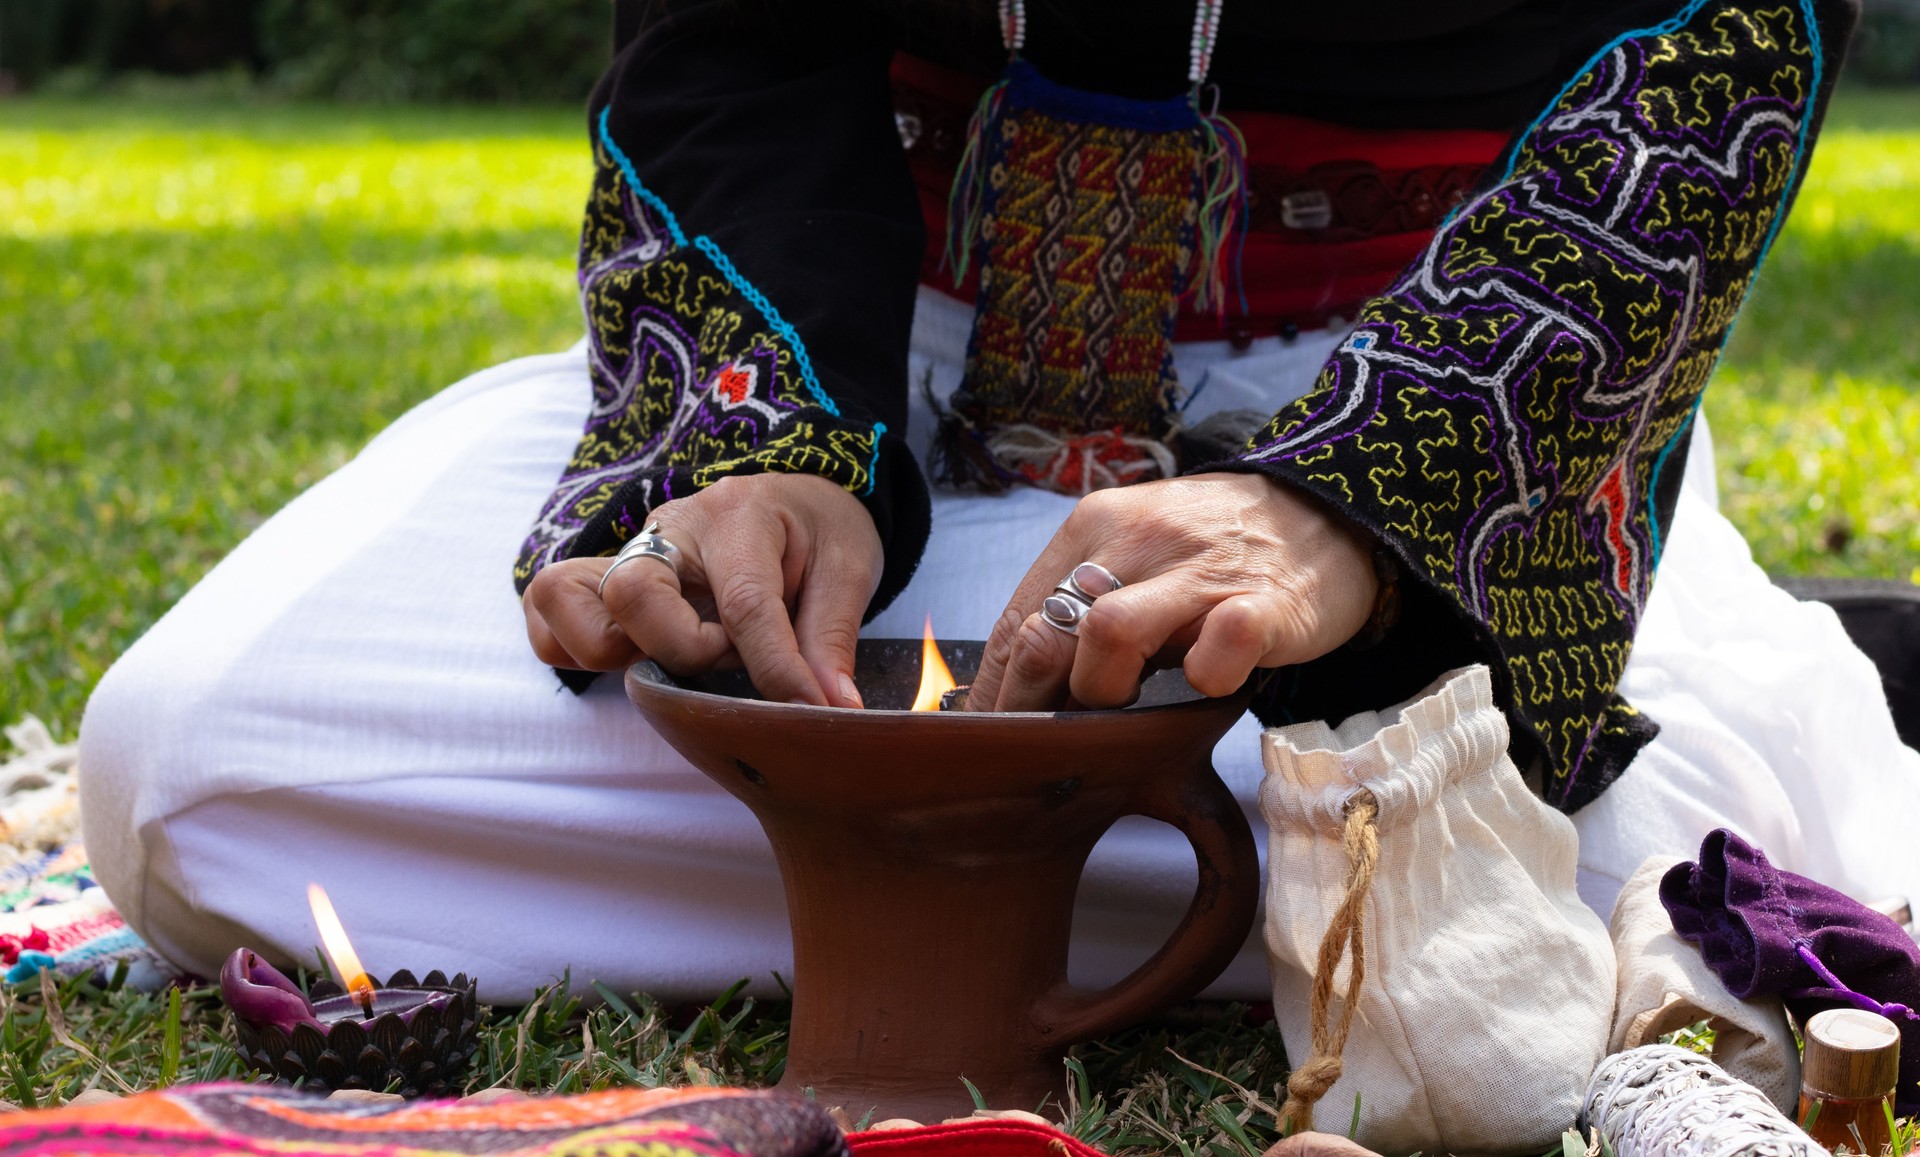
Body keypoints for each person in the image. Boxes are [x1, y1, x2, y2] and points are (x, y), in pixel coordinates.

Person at [78, 0, 1920, 1004]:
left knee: (1602, 881)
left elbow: (1724, 34)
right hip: (893, 353)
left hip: (1410, 388)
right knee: (197, 763)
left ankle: (1661, 691)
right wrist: (765, 437)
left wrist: (1356, 509)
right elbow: (722, 47)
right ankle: (1106, 843)